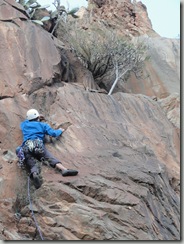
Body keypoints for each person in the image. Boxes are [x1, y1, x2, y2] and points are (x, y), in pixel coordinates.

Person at [17, 109, 78, 189]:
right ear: (38, 117)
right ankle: (63, 169)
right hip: (38, 144)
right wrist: (60, 130)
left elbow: (26, 121)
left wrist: (36, 117)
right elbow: (53, 134)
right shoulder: (43, 125)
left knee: (29, 160)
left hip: (27, 146)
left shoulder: (24, 125)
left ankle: (34, 173)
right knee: (48, 156)